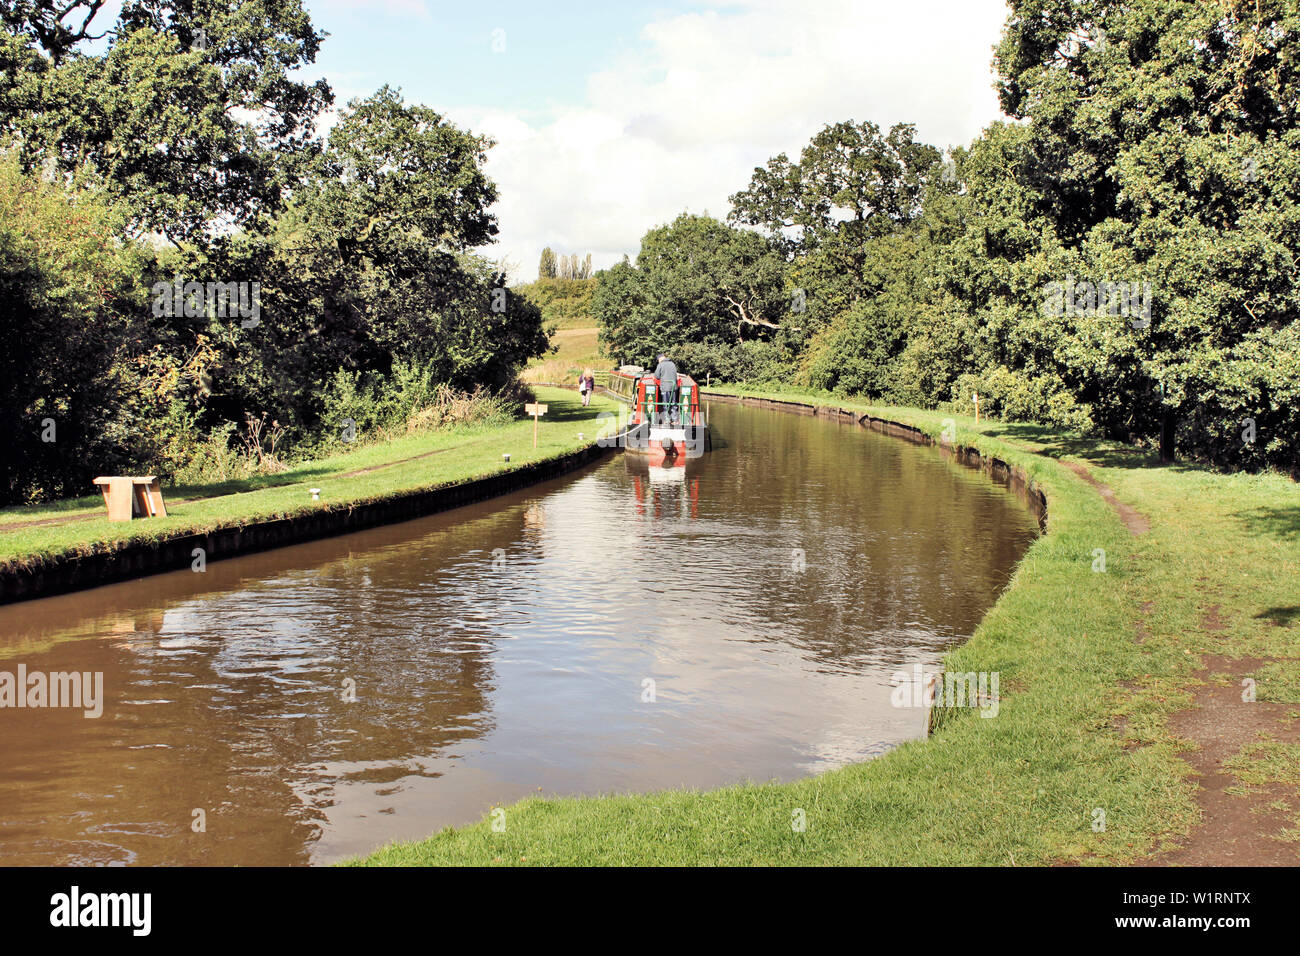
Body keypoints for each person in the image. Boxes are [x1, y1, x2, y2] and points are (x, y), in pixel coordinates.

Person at [652, 353, 678, 425]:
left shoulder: (660, 365)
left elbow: (657, 376)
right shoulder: (672, 364)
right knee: (673, 404)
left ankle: (666, 420)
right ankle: (675, 420)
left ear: (660, 359)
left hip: (665, 387)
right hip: (673, 387)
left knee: (665, 404)